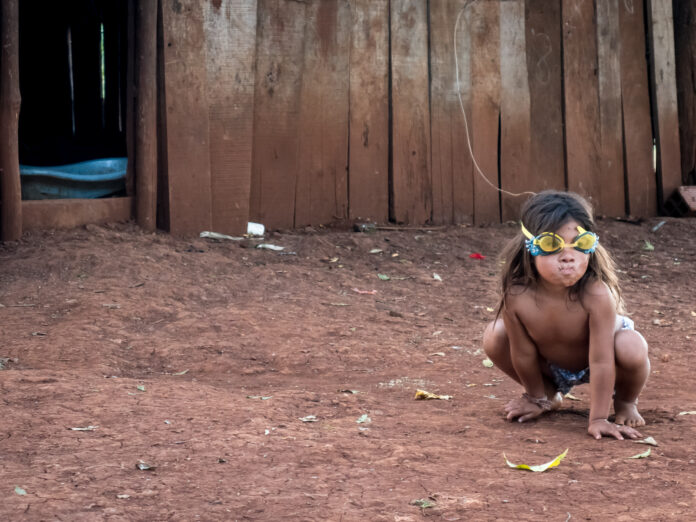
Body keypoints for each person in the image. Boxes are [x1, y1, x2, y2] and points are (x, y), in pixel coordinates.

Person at [483, 190, 649, 440]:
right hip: (550, 363)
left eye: (580, 243)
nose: (569, 256)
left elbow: (602, 360)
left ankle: (626, 400)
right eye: (552, 244)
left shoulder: (596, 294)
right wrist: (534, 396)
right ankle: (547, 396)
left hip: (604, 359)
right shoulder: (516, 295)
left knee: (632, 345)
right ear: (531, 247)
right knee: (495, 335)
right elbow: (523, 353)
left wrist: (598, 419)